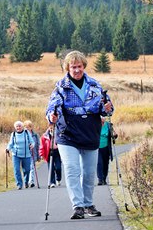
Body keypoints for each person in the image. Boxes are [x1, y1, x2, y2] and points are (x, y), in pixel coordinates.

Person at [46, 50, 114, 220]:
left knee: (89, 172)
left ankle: (88, 204)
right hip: (67, 135)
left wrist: (107, 108)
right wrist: (51, 116)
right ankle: (78, 206)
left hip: (90, 133)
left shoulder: (95, 85)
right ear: (67, 68)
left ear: (84, 66)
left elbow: (107, 109)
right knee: (72, 169)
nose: (76, 70)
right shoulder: (61, 87)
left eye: (79, 66)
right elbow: (51, 108)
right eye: (73, 67)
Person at [6, 121, 35, 190]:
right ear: (15, 127)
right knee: (16, 170)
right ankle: (19, 184)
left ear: (22, 127)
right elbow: (11, 143)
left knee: (27, 170)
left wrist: (32, 145)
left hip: (26, 154)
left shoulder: (26, 133)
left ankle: (26, 182)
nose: (18, 127)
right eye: (17, 126)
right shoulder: (13, 134)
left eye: (20, 126)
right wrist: (7, 148)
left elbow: (32, 141)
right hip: (16, 154)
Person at [97, 117, 117, 185]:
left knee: (105, 164)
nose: (102, 119)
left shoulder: (108, 125)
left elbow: (114, 134)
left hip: (106, 148)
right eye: (100, 117)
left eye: (103, 117)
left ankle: (104, 178)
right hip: (97, 148)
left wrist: (114, 135)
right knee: (99, 163)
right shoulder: (95, 125)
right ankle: (100, 179)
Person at [24, 120, 40, 188]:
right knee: (26, 169)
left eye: (28, 127)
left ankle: (31, 181)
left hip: (33, 154)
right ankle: (26, 181)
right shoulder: (23, 135)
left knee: (32, 168)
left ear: (31, 127)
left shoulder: (35, 135)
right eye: (26, 127)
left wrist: (39, 156)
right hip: (25, 154)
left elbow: (38, 145)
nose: (27, 128)